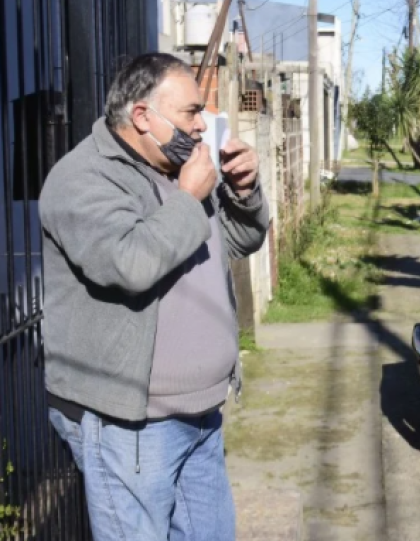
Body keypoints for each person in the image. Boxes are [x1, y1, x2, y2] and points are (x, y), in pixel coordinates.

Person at [40, 53, 269, 540]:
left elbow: (237, 241)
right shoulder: (83, 178)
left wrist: (244, 192)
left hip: (202, 413)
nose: (202, 125)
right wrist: (188, 199)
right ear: (143, 116)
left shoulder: (178, 166)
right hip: (131, 424)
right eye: (191, 113)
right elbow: (129, 265)